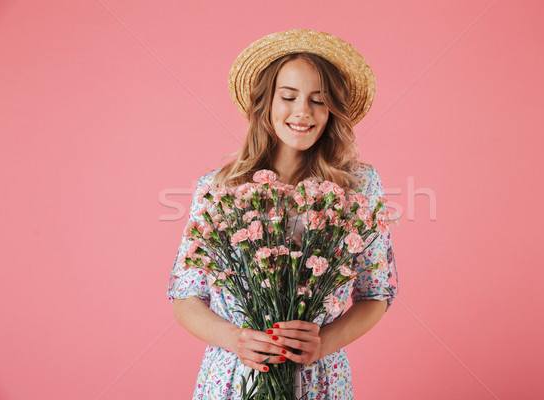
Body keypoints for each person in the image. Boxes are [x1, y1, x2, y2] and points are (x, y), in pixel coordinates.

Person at [167, 29, 399, 400]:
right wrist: (237, 339)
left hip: (320, 378)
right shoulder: (218, 188)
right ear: (265, 104)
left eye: (318, 101)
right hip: (234, 379)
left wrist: (322, 343)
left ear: (332, 111)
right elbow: (185, 296)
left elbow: (376, 293)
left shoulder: (359, 185)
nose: (303, 112)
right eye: (288, 97)